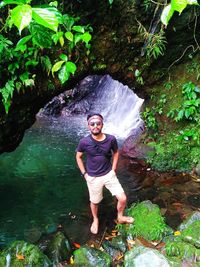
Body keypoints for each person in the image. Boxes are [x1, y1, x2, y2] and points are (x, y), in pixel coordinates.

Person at [76, 113, 134, 234]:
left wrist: (113, 169)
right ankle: (95, 219)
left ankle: (120, 216)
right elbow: (78, 157)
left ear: (102, 125)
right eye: (92, 124)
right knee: (95, 202)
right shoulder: (84, 142)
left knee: (122, 198)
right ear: (88, 126)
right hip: (92, 177)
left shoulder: (111, 139)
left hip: (109, 174)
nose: (95, 126)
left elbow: (116, 153)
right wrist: (85, 174)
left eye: (98, 123)